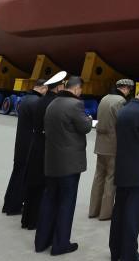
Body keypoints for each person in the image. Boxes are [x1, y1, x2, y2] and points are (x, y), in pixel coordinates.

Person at [35, 76, 93, 255]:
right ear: (76, 89)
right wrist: (89, 119)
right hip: (69, 164)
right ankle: (60, 244)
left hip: (52, 161)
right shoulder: (75, 105)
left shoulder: (53, 104)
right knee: (66, 203)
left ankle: (41, 241)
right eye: (80, 90)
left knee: (49, 200)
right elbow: (84, 127)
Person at [109, 83, 139, 261]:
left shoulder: (124, 109)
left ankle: (116, 251)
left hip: (123, 168)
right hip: (137, 170)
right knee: (132, 214)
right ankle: (129, 254)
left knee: (119, 212)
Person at [23, 71, 67, 230]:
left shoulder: (41, 100)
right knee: (43, 185)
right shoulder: (54, 103)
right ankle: (36, 220)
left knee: (33, 183)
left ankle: (27, 219)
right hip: (46, 146)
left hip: (36, 143)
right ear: (59, 87)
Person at [89, 78, 134, 221]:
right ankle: (105, 213)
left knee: (99, 177)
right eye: (129, 90)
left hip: (100, 144)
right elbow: (123, 124)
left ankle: (93, 210)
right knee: (110, 178)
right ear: (125, 88)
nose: (129, 93)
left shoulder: (104, 98)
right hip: (113, 145)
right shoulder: (121, 102)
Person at [3, 78, 47, 216]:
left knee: (16, 174)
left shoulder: (26, 99)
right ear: (43, 88)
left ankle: (8, 204)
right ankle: (14, 206)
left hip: (21, 143)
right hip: (29, 145)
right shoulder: (36, 102)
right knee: (23, 177)